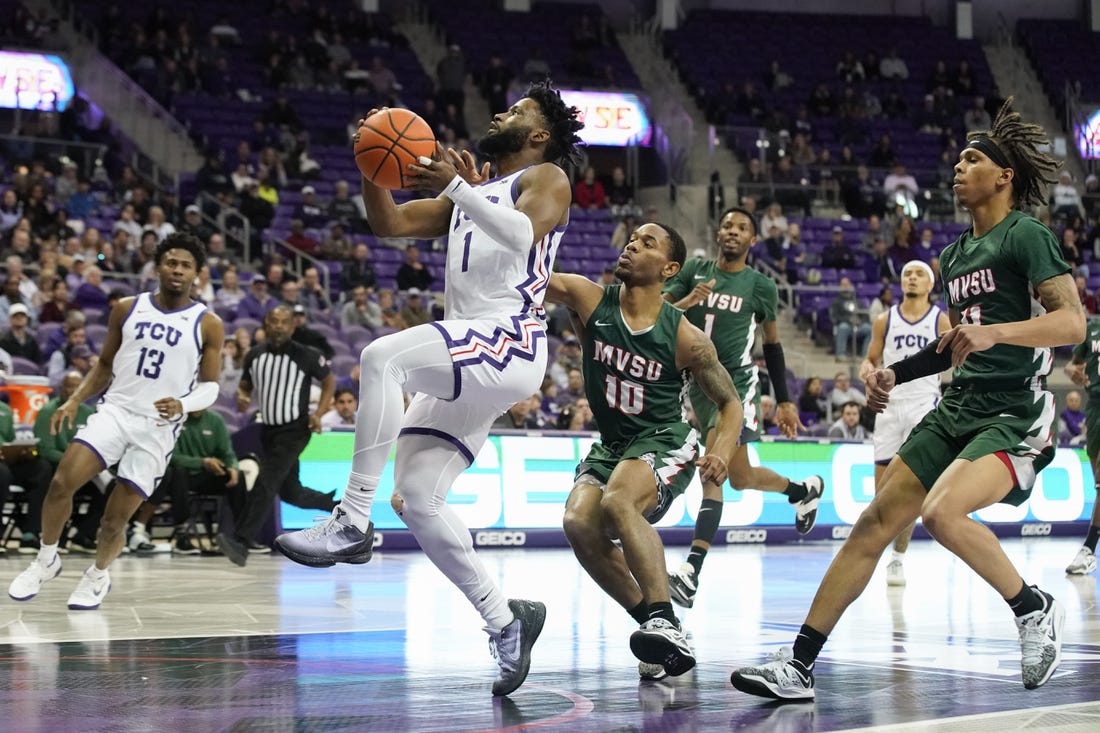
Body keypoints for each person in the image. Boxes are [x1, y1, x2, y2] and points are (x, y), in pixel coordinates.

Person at [731, 97, 1080, 699]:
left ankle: (1032, 608)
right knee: (872, 522)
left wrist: (998, 332)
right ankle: (798, 665)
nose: (956, 169)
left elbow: (1072, 322)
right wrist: (895, 371)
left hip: (1014, 411)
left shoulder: (1027, 235)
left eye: (971, 160)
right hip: (958, 406)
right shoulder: (953, 255)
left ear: (1003, 178)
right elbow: (954, 345)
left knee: (942, 514)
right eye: (956, 160)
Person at [274, 80, 584, 697]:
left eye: (516, 111)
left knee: (381, 357)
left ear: (540, 134)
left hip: (508, 338)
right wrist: (372, 158)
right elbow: (387, 221)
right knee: (417, 498)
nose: (501, 112)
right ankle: (506, 621)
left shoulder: (547, 178)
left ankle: (350, 520)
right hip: (472, 353)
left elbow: (522, 238)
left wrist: (457, 186)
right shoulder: (471, 195)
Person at [546, 221, 742, 681]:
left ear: (669, 268)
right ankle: (662, 629)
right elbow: (525, 275)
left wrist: (723, 451)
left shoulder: (685, 336)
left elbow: (730, 403)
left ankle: (660, 613)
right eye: (631, 239)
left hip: (663, 439)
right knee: (578, 523)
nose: (632, 245)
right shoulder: (588, 298)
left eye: (646, 243)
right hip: (612, 445)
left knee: (617, 500)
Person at [7, 232, 224, 610]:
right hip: (116, 411)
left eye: (186, 265)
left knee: (113, 520)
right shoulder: (126, 307)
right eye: (171, 262)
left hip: (157, 427)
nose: (177, 269)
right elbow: (105, 364)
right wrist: (75, 400)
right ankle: (45, 560)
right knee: (61, 482)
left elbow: (210, 387)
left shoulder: (208, 323)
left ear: (197, 275)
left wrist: (184, 404)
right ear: (158, 266)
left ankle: (98, 574)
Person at [660, 207, 824, 609]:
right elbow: (658, 314)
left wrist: (784, 400)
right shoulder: (694, 269)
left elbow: (772, 344)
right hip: (694, 382)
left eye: (742, 228)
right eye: (728, 225)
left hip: (735, 384)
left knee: (713, 470)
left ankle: (691, 571)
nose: (733, 231)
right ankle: (804, 491)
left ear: (753, 240)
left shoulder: (760, 286)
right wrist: (688, 299)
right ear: (719, 232)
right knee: (742, 477)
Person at [219, 305, 337, 561]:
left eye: (284, 322)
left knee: (266, 482)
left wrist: (319, 413)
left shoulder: (306, 355)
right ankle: (334, 506)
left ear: (293, 326)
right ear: (266, 324)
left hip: (295, 430)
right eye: (274, 321)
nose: (279, 326)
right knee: (290, 492)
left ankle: (241, 541)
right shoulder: (254, 355)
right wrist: (242, 395)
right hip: (268, 431)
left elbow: (329, 381)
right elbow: (246, 383)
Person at [859, 259, 951, 586]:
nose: (912, 278)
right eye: (907, 273)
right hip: (888, 406)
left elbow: (952, 355)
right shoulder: (884, 320)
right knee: (881, 492)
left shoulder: (940, 319)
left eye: (919, 274)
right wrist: (867, 368)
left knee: (909, 488)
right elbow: (871, 358)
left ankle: (897, 559)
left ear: (930, 284)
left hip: (922, 404)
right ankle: (881, 552)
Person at [33, 370, 108, 554]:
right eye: (69, 386)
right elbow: (46, 450)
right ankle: (56, 537)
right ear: (61, 388)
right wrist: (77, 463)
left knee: (111, 487)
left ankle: (83, 534)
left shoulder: (89, 412)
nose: (73, 391)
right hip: (59, 470)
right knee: (59, 483)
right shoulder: (49, 412)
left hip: (85, 472)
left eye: (78, 387)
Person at [158, 408, 242, 555]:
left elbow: (227, 453)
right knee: (178, 472)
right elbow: (172, 457)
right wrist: (203, 462)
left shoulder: (215, 420)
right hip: (182, 477)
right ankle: (182, 533)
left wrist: (233, 467)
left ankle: (236, 535)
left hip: (206, 476)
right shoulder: (174, 420)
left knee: (236, 478)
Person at [1063, 322, 1100, 574]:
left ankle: (1088, 547)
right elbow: (1071, 365)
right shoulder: (1093, 328)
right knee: (1098, 478)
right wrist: (1070, 371)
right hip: (1096, 406)